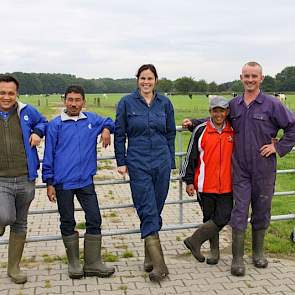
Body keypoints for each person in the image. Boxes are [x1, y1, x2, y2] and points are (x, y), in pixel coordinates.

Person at [182, 61, 295, 276]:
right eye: (246, 76)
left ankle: (258, 254)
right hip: (240, 169)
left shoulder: (272, 104)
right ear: (241, 78)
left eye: (254, 76)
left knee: (262, 210)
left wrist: (277, 146)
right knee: (240, 212)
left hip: (264, 168)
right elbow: (216, 117)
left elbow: (292, 126)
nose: (250, 80)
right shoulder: (234, 104)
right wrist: (194, 123)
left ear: (261, 78)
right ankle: (237, 259)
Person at [42, 85, 115, 279]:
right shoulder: (55, 125)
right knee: (67, 221)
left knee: (94, 218)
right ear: (64, 101)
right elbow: (48, 155)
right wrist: (49, 182)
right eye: (70, 100)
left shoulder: (91, 120)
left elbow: (110, 121)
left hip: (85, 181)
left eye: (77, 100)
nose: (74, 104)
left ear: (84, 102)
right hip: (63, 183)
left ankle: (92, 263)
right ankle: (74, 263)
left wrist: (106, 129)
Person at [114, 64, 176, 282]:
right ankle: (160, 266)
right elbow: (120, 134)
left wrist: (170, 161)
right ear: (137, 80)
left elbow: (170, 134)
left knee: (156, 208)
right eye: (142, 78)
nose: (146, 82)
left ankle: (149, 258)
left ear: (156, 80)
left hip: (161, 161)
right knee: (147, 208)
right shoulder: (126, 103)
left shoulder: (165, 103)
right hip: (138, 162)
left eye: (150, 78)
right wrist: (121, 161)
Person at [0, 74, 47, 284]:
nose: (6, 97)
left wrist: (37, 132)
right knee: (5, 217)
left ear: (16, 93)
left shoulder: (26, 111)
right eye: (2, 92)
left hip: (25, 179)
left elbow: (43, 122)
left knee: (20, 224)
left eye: (11, 93)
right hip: (1, 180)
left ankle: (13, 268)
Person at [180, 96, 233, 265]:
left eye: (222, 110)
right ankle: (214, 253)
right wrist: (188, 181)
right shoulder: (201, 130)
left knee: (223, 217)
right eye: (215, 110)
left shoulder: (233, 130)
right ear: (210, 112)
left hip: (227, 185)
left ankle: (194, 240)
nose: (218, 114)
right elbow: (190, 157)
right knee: (209, 218)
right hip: (204, 185)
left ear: (227, 112)